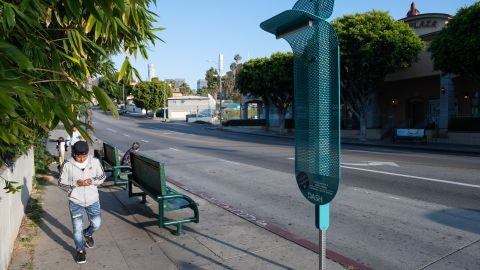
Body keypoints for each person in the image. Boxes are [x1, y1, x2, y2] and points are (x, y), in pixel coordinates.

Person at [58, 141, 106, 264]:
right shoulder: (67, 164)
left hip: (93, 199)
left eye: (84, 156)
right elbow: (61, 183)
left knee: (96, 223)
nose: (81, 159)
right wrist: (75, 184)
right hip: (75, 201)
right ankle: (80, 250)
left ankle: (88, 234)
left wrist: (92, 181)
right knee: (77, 228)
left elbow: (102, 176)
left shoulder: (94, 162)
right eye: (78, 156)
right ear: (74, 154)